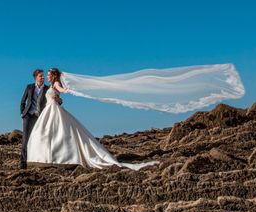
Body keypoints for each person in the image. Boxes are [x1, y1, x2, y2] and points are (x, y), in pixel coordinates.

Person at [25, 68, 160, 170]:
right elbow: (56, 97)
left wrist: (68, 90)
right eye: (44, 75)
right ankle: (49, 157)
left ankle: (55, 158)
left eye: (48, 74)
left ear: (53, 75)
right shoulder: (50, 86)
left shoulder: (55, 84)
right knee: (49, 133)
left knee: (55, 132)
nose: (46, 76)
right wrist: (58, 98)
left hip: (53, 109)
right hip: (50, 109)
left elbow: (61, 91)